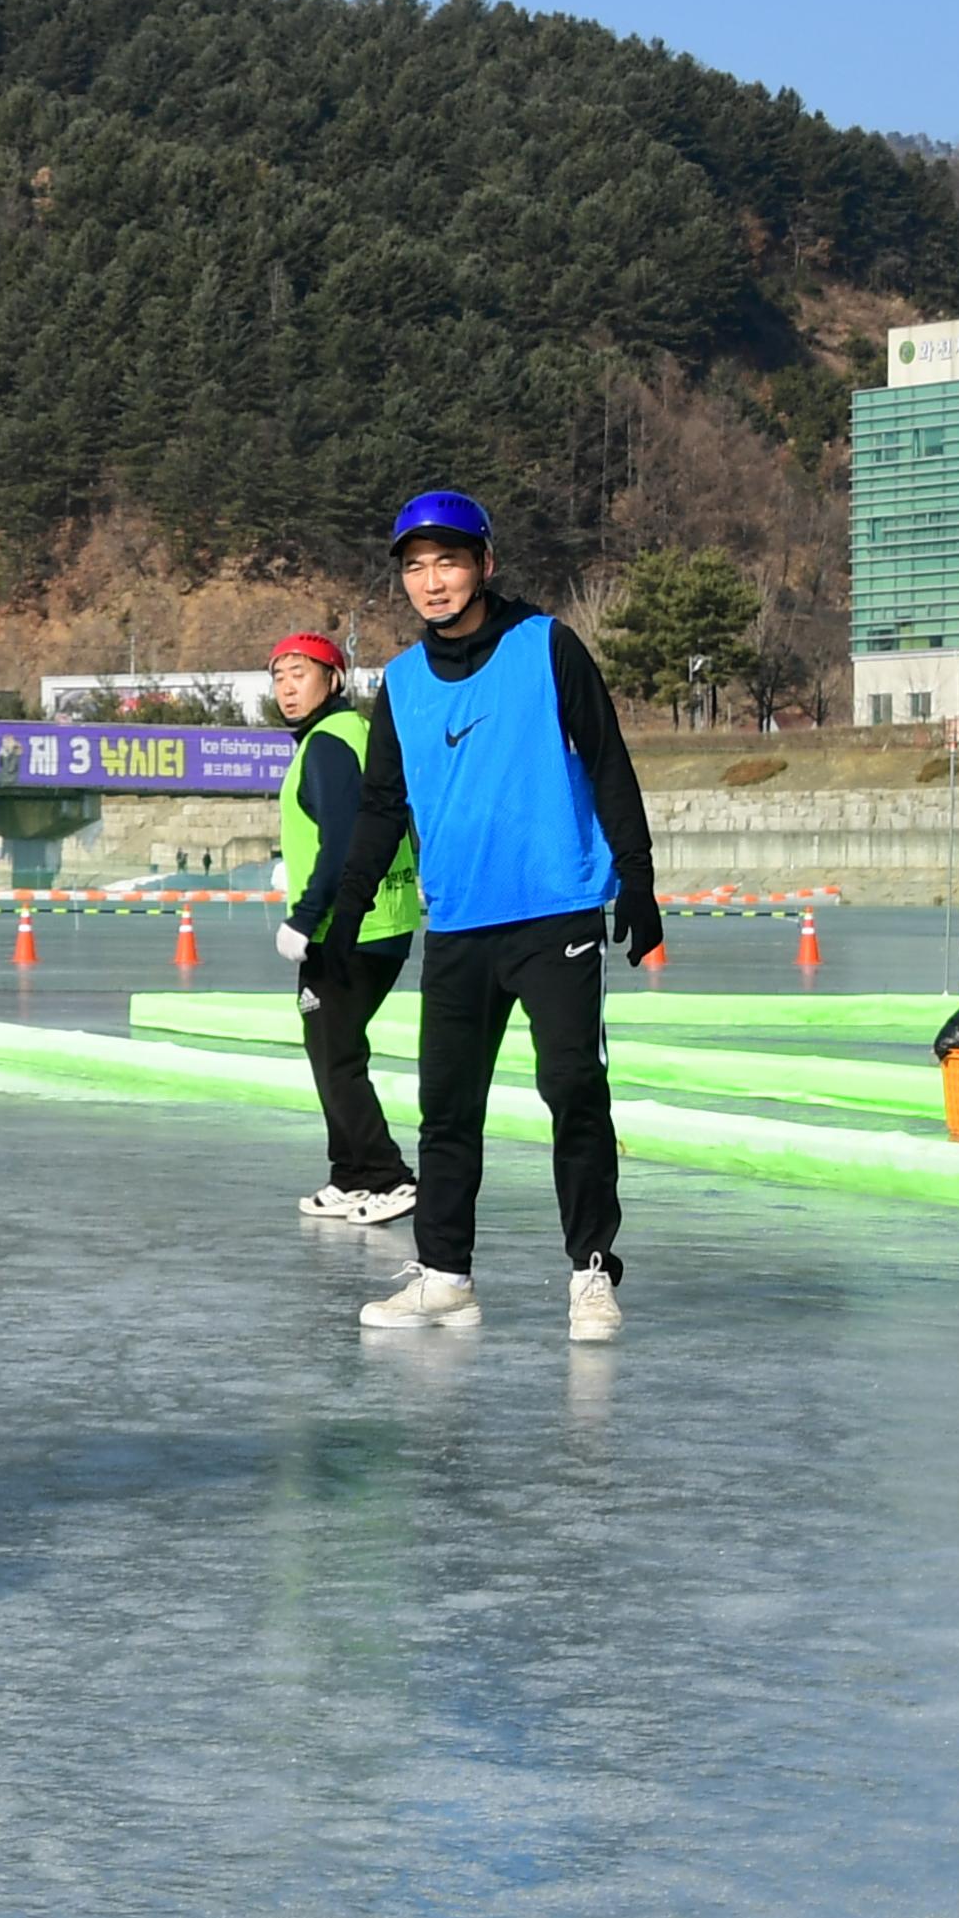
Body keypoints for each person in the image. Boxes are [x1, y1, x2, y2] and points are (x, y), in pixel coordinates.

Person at [317, 493, 661, 1343]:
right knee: (447, 1106)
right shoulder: (398, 683)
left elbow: (611, 765)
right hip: (461, 922)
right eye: (415, 567)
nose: (432, 582)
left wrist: (640, 886)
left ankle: (591, 1273)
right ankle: (444, 1275)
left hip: (558, 911)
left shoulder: (546, 647)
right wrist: (344, 915)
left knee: (573, 1090)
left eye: (449, 562)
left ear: (485, 564)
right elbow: (381, 807)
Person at [267, 634, 419, 1224]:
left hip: (349, 926)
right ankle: (351, 1173)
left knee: (336, 1054)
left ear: (333, 680)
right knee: (330, 1047)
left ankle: (387, 1176)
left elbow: (343, 840)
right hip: (379, 919)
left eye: (301, 673)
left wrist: (305, 917)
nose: (287, 686)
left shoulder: (330, 744)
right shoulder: (350, 734)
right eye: (279, 675)